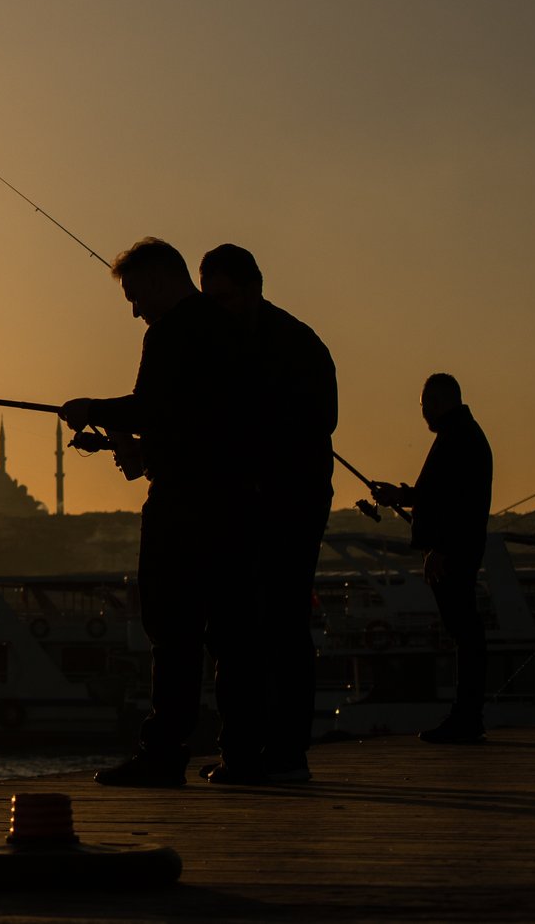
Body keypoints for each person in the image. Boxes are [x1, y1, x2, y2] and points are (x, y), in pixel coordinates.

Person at [60, 237, 256, 787]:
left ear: (159, 280)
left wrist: (90, 410)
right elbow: (199, 420)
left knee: (172, 627)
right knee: (229, 631)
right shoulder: (226, 331)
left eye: (134, 294)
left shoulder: (170, 333)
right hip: (234, 499)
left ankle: (164, 753)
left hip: (186, 503)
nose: (133, 308)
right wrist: (143, 446)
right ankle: (240, 750)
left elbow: (154, 408)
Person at [200, 243, 336, 785]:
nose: (220, 309)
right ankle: (249, 751)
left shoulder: (296, 345)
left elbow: (316, 421)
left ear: (254, 288)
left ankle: (279, 753)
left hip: (285, 502)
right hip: (246, 499)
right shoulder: (232, 341)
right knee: (238, 628)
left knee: (276, 625)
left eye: (226, 298)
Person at [375, 374, 494, 743]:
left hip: (453, 551)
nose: (423, 413)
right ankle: (466, 716)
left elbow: (458, 503)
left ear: (441, 401)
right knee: (466, 632)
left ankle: (466, 718)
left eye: (425, 404)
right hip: (457, 547)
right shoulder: (462, 435)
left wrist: (439, 548)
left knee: (465, 633)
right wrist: (400, 495)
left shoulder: (458, 439)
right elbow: (437, 495)